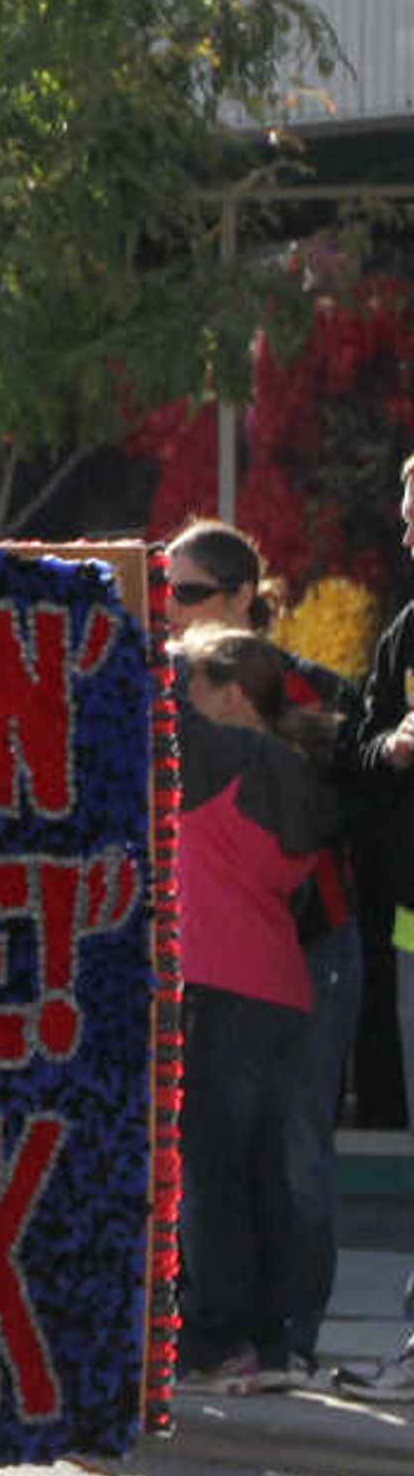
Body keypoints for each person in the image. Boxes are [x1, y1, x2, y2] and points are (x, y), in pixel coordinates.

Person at [162, 516, 357, 1381]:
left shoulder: (225, 766)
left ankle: (219, 1337)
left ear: (232, 698)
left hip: (220, 983)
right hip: (280, 982)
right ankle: (276, 1340)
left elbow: (156, 699)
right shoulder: (285, 765)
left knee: (210, 1175)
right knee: (269, 1175)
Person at [327, 454, 414, 1401]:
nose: (406, 530)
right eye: (404, 511)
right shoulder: (407, 630)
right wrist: (389, 746)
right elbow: (354, 742)